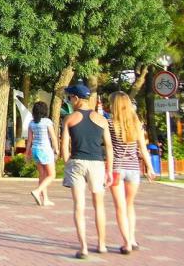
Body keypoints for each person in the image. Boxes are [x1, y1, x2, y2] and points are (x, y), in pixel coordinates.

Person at [61, 83, 114, 260]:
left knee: (79, 206)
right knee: (99, 205)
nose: (70, 100)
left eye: (70, 98)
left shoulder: (69, 119)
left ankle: (83, 247)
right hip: (97, 163)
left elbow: (64, 148)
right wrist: (110, 170)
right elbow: (109, 147)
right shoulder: (102, 119)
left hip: (77, 162)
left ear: (76, 98)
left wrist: (68, 163)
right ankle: (102, 244)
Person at [108, 91, 156, 254]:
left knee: (119, 207)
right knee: (129, 205)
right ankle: (133, 238)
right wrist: (149, 167)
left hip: (116, 168)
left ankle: (126, 242)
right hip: (133, 168)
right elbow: (143, 148)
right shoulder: (137, 123)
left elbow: (108, 148)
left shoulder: (110, 123)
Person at [27, 102, 59, 207]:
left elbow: (29, 140)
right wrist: (56, 149)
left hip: (35, 149)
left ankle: (45, 199)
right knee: (51, 175)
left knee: (42, 175)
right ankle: (37, 191)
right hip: (45, 150)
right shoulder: (47, 122)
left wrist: (27, 152)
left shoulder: (31, 123)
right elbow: (53, 137)